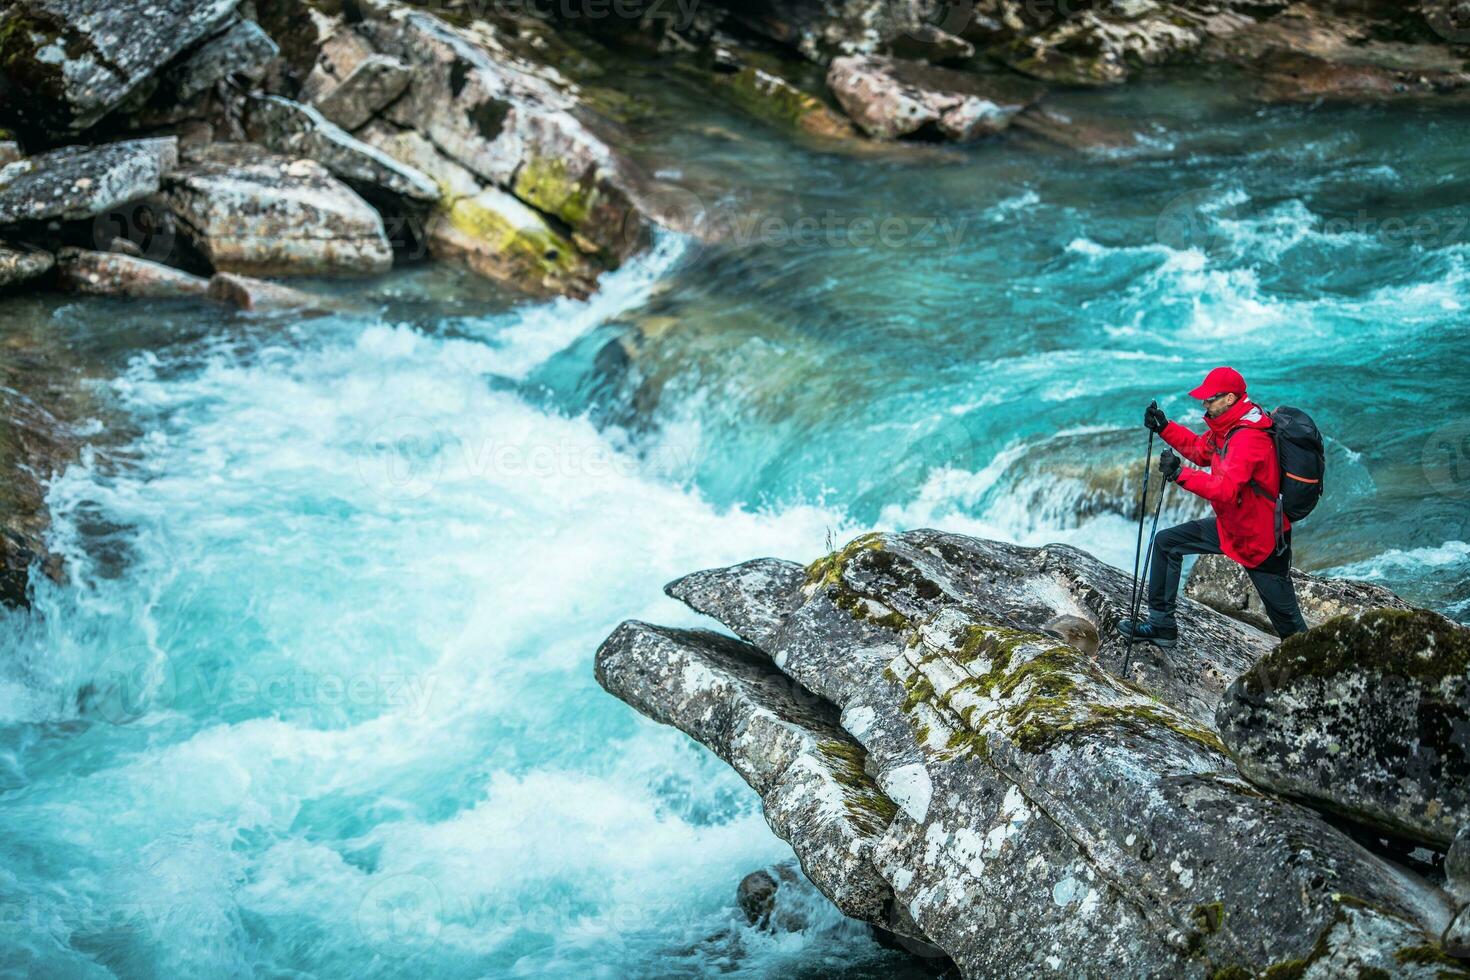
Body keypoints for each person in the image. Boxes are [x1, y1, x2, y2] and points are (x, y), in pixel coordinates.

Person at [1118, 366, 1307, 647]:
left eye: (1210, 399)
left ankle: (1318, 669)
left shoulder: (1248, 437)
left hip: (1261, 541)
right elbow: (1201, 451)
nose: (1204, 404)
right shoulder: (1227, 426)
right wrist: (1165, 427)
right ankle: (1161, 625)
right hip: (1232, 527)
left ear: (1230, 398)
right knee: (1167, 543)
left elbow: (1226, 490)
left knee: (1291, 630)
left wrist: (1179, 474)